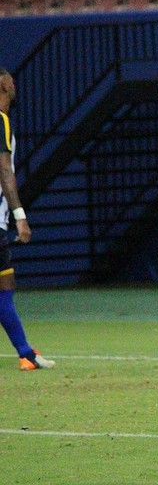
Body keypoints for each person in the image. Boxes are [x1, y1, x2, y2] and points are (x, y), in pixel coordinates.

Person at [0, 67, 54, 371]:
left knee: (5, 283)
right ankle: (25, 353)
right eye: (12, 82)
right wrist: (20, 215)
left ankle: (25, 353)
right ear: (5, 85)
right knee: (4, 286)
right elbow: (4, 169)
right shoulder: (1, 119)